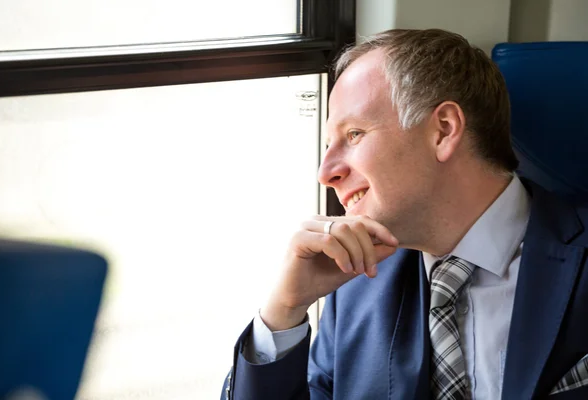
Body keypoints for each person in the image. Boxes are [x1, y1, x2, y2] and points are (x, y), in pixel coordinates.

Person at [221, 29, 588, 399]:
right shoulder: (353, 286)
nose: (325, 172)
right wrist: (284, 311)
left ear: (443, 130)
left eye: (354, 134)